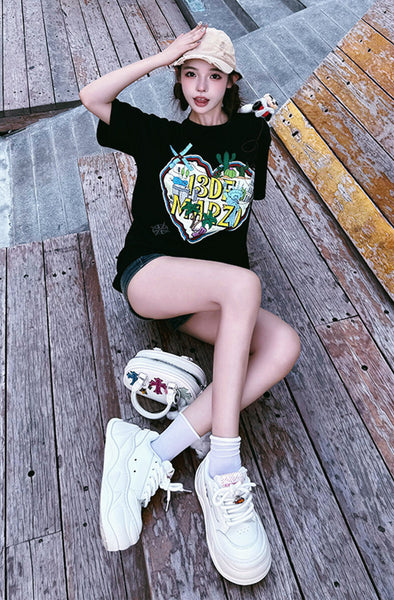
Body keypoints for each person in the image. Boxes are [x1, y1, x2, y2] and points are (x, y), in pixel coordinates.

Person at [79, 24, 301, 586]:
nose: (201, 86)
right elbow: (93, 97)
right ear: (178, 79)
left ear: (231, 82)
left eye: (214, 76)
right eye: (190, 74)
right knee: (243, 286)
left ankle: (154, 450)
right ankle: (223, 466)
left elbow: (235, 221)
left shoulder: (252, 136)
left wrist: (249, 124)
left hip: (211, 291)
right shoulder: (158, 136)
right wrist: (161, 56)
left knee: (283, 344)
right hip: (152, 275)